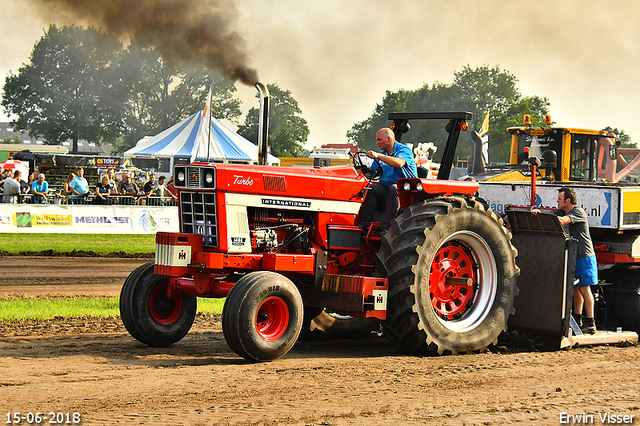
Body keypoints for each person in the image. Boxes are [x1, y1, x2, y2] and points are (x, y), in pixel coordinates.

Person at [535, 187, 597, 334]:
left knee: (584, 289)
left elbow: (561, 221)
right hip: (574, 256)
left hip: (584, 256)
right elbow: (550, 215)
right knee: (575, 288)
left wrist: (542, 216)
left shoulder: (577, 212)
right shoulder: (561, 211)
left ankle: (591, 321)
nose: (557, 201)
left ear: (567, 201)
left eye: (559, 198)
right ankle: (577, 318)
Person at [359, 127, 418, 236]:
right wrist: (357, 173)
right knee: (371, 189)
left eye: (379, 140)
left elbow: (399, 163)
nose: (377, 143)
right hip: (386, 186)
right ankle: (364, 225)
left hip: (406, 188)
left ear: (389, 139)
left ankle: (388, 227)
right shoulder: (383, 153)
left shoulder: (403, 150)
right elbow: (373, 173)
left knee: (394, 189)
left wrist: (378, 156)